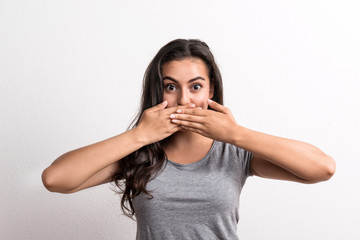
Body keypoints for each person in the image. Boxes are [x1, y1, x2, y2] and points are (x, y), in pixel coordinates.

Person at [42, 39, 336, 239]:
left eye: (195, 86)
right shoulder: (140, 152)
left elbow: (322, 169)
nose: (184, 99)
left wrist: (234, 133)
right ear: (159, 92)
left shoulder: (234, 151)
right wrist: (139, 135)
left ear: (211, 90)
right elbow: (56, 179)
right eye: (171, 87)